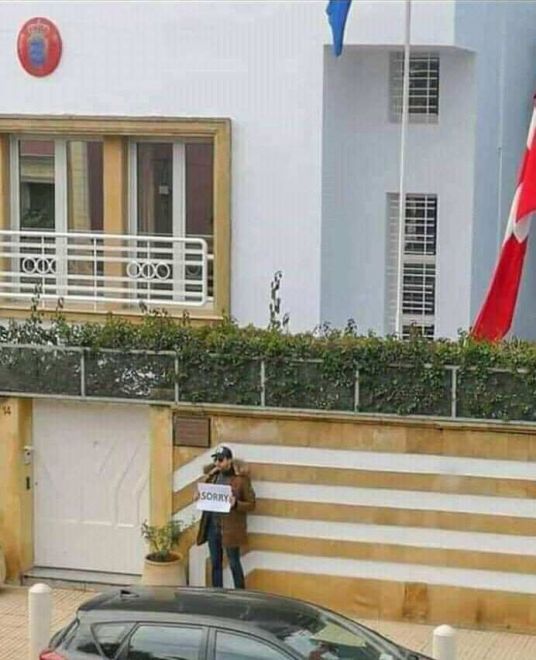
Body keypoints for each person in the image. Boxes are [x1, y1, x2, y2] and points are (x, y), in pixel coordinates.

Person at [196, 445, 255, 589]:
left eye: (221, 460)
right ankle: (217, 594)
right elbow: (204, 493)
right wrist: (199, 495)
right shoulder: (212, 476)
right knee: (215, 563)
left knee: (234, 562)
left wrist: (236, 504)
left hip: (230, 529)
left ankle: (240, 593)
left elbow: (251, 504)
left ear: (229, 460)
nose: (217, 463)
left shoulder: (241, 480)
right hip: (213, 527)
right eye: (216, 460)